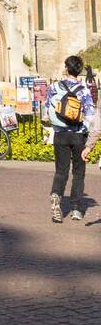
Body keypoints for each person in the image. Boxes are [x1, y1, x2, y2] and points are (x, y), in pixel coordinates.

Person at [47, 55, 95, 223]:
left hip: (60, 135)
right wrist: (84, 129)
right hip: (78, 135)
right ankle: (76, 208)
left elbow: (48, 108)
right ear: (79, 71)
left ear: (66, 69)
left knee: (61, 171)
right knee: (78, 173)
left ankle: (56, 196)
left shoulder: (54, 87)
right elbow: (90, 113)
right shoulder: (84, 90)